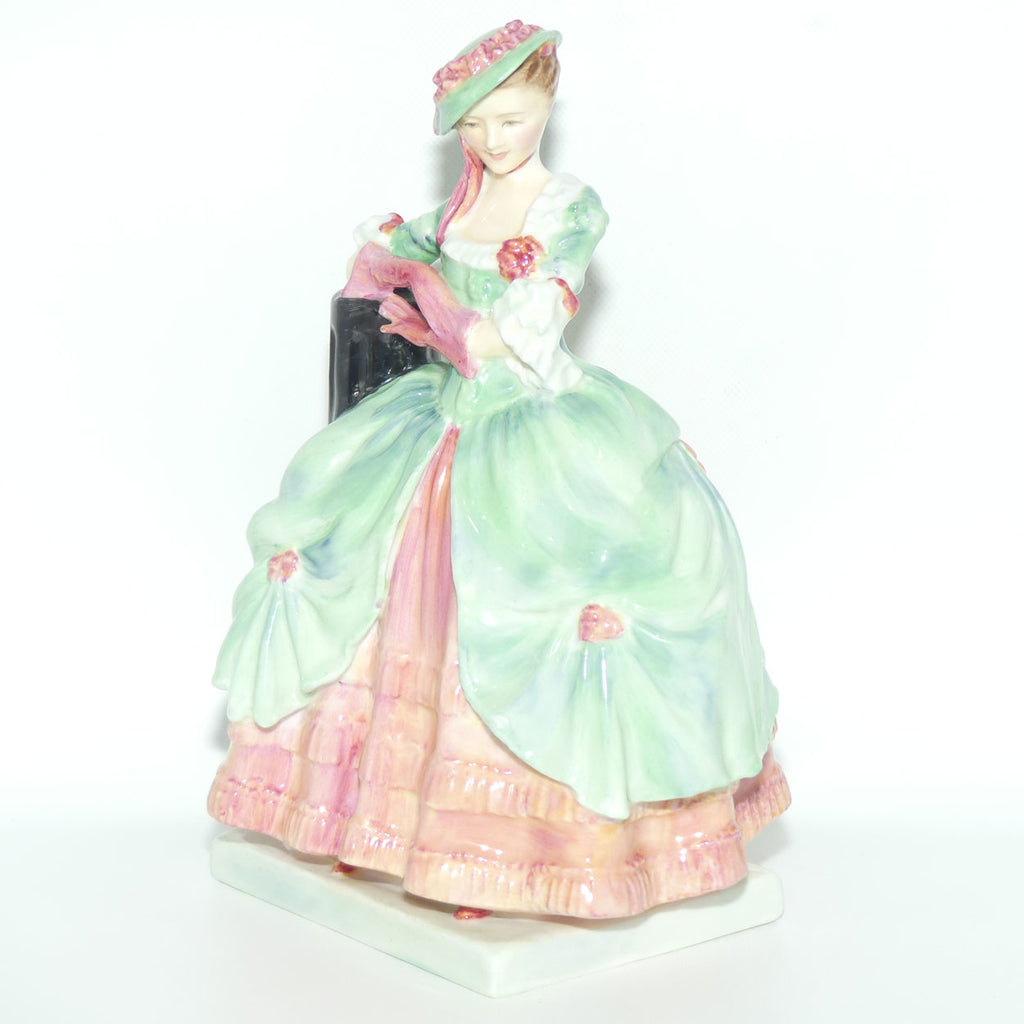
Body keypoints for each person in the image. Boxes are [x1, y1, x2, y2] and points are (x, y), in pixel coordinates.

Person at [209, 20, 790, 919]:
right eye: (474, 126)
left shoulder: (567, 207)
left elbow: (525, 322)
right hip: (440, 420)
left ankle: (502, 857)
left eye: (511, 120)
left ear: (547, 105)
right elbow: (397, 277)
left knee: (532, 597)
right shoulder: (452, 214)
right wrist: (401, 286)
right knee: (367, 576)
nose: (492, 140)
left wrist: (455, 319)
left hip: (531, 420)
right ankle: (375, 825)